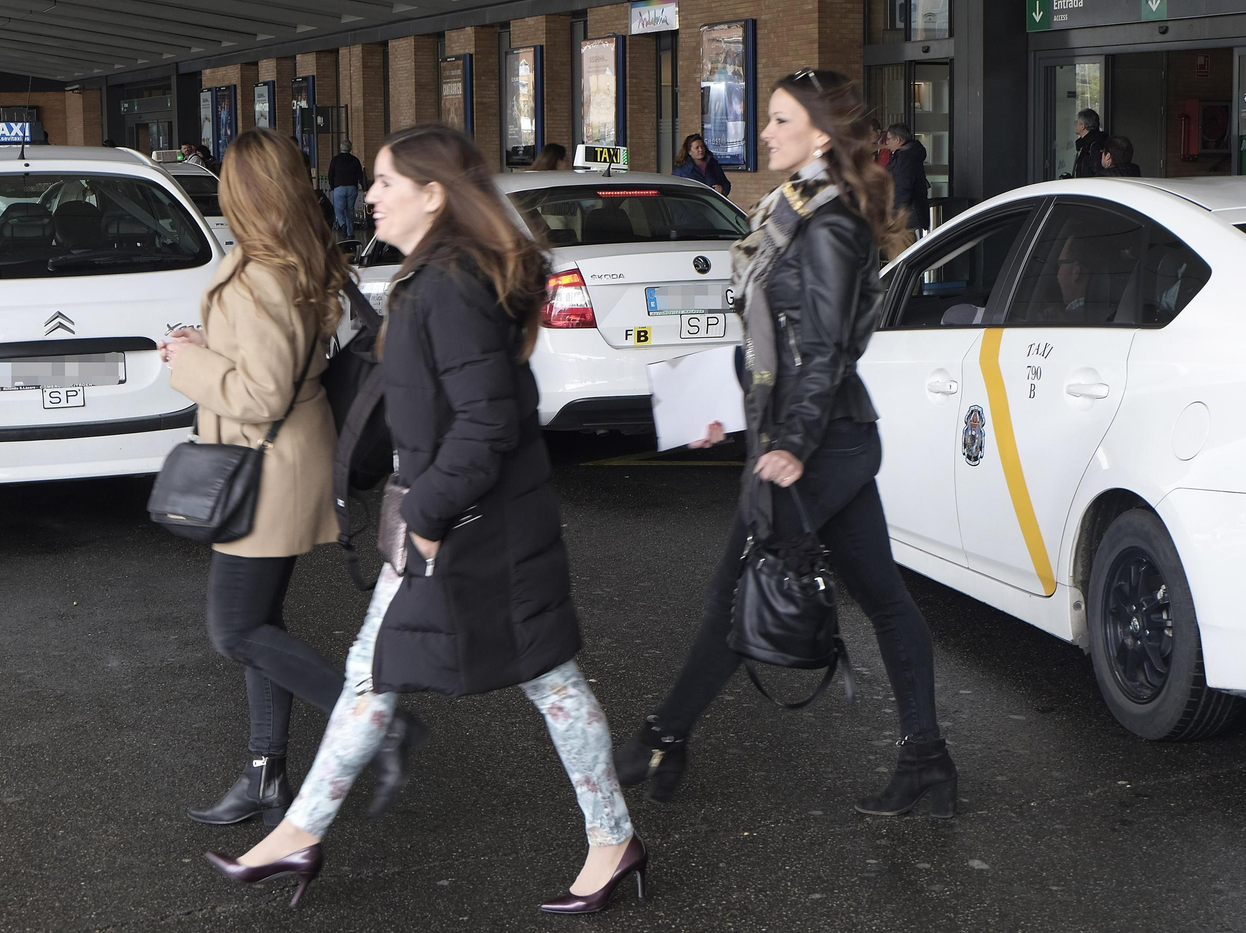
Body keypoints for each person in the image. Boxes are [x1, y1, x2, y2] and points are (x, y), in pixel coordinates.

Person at [204, 125, 644, 914]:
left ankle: (612, 841)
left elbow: (487, 422)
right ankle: (300, 832)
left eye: (385, 182)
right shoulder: (436, 277)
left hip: (472, 528)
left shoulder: (448, 285)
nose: (368, 196)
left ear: (433, 195)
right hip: (467, 520)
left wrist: (430, 514)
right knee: (380, 673)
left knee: (543, 680)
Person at [612, 69, 952, 819]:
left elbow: (825, 350)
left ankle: (662, 737)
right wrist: (721, 407)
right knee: (885, 601)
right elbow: (777, 345)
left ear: (821, 136)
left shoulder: (828, 227)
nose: (763, 132)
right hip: (827, 438)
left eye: (779, 120)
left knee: (736, 594)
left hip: (817, 446)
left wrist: (792, 443)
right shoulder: (790, 213)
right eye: (767, 118)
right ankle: (927, 763)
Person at [161, 127, 425, 833]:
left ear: (241, 194)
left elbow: (261, 393)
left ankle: (376, 722)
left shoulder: (260, 275)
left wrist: (187, 360)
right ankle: (264, 774)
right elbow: (278, 364)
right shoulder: (299, 258)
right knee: (260, 622)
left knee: (235, 629)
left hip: (265, 468)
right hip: (285, 458)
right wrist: (210, 345)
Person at [883, 123, 930, 232]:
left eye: (888, 139)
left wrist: (895, 216)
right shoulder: (905, 155)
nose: (886, 143)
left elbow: (902, 189)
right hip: (912, 215)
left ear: (897, 140)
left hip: (907, 219)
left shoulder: (904, 159)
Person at [328, 140, 366, 240]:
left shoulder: (335, 160)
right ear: (350, 149)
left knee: (338, 209)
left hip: (339, 188)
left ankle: (342, 224)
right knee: (350, 210)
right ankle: (350, 233)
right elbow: (360, 175)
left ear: (341, 148)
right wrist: (365, 188)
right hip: (352, 188)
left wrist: (332, 187)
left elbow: (330, 174)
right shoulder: (355, 160)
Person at [1070, 109, 1107, 178]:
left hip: (1089, 183)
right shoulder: (1084, 144)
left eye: (1076, 122)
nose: (1075, 125)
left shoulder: (1094, 145)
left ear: (1082, 126)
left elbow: (1097, 171)